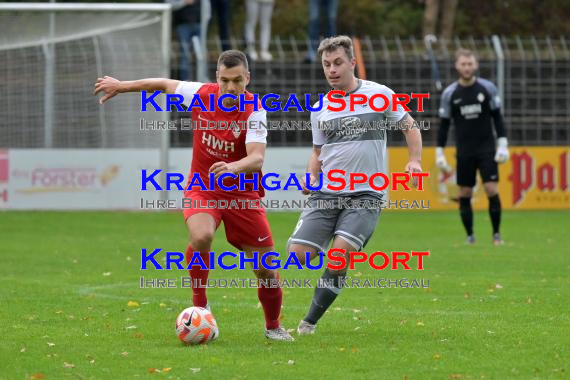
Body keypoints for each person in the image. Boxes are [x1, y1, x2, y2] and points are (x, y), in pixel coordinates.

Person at [93, 50, 294, 341]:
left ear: (247, 78)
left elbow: (257, 159)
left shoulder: (255, 110)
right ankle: (200, 306)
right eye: (225, 80)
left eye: (237, 80)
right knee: (201, 237)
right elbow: (162, 84)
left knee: (266, 270)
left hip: (243, 195)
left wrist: (232, 167)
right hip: (204, 187)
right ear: (216, 78)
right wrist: (121, 86)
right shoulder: (201, 94)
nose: (231, 87)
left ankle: (273, 326)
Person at [287, 36, 423, 335]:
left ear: (352, 62)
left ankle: (309, 322)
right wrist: (311, 176)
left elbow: (410, 127)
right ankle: (337, 241)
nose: (332, 70)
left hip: (366, 193)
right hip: (327, 193)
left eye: (337, 63)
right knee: (297, 255)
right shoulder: (321, 107)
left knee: (338, 257)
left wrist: (415, 161)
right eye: (326, 65)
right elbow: (317, 153)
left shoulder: (379, 94)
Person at [436, 49, 509, 246]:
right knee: (465, 193)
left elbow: (497, 117)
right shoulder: (450, 93)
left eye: (470, 64)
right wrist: (439, 152)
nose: (466, 67)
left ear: (475, 65)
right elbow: (444, 125)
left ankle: (496, 235)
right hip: (464, 151)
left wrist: (502, 144)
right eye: (463, 64)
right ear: (457, 66)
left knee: (491, 189)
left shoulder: (487, 88)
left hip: (486, 148)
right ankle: (470, 236)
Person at [168, 0, 201, 81]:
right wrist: (184, 2)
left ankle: (201, 79)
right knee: (184, 54)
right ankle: (185, 80)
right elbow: (169, 5)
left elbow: (207, 7)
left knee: (200, 54)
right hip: (182, 24)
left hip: (199, 23)